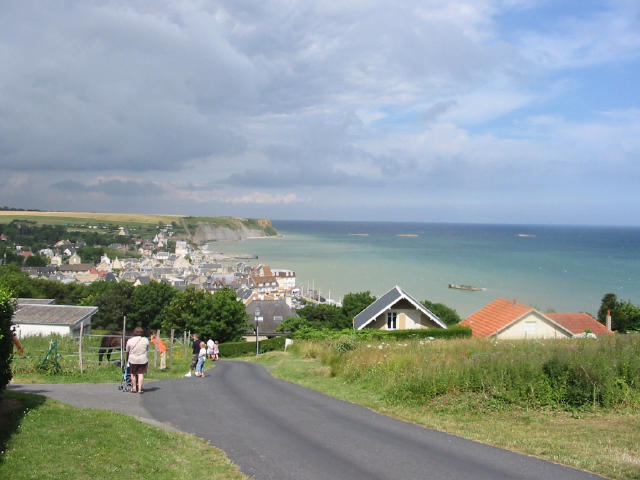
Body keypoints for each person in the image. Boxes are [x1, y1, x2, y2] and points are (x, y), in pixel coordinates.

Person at [125, 327, 149, 393]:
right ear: (142, 333)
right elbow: (147, 349)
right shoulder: (145, 340)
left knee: (133, 374)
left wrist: (127, 359)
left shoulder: (130, 340)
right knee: (140, 374)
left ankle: (134, 388)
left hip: (133, 359)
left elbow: (127, 350)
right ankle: (140, 389)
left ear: (134, 332)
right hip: (143, 359)